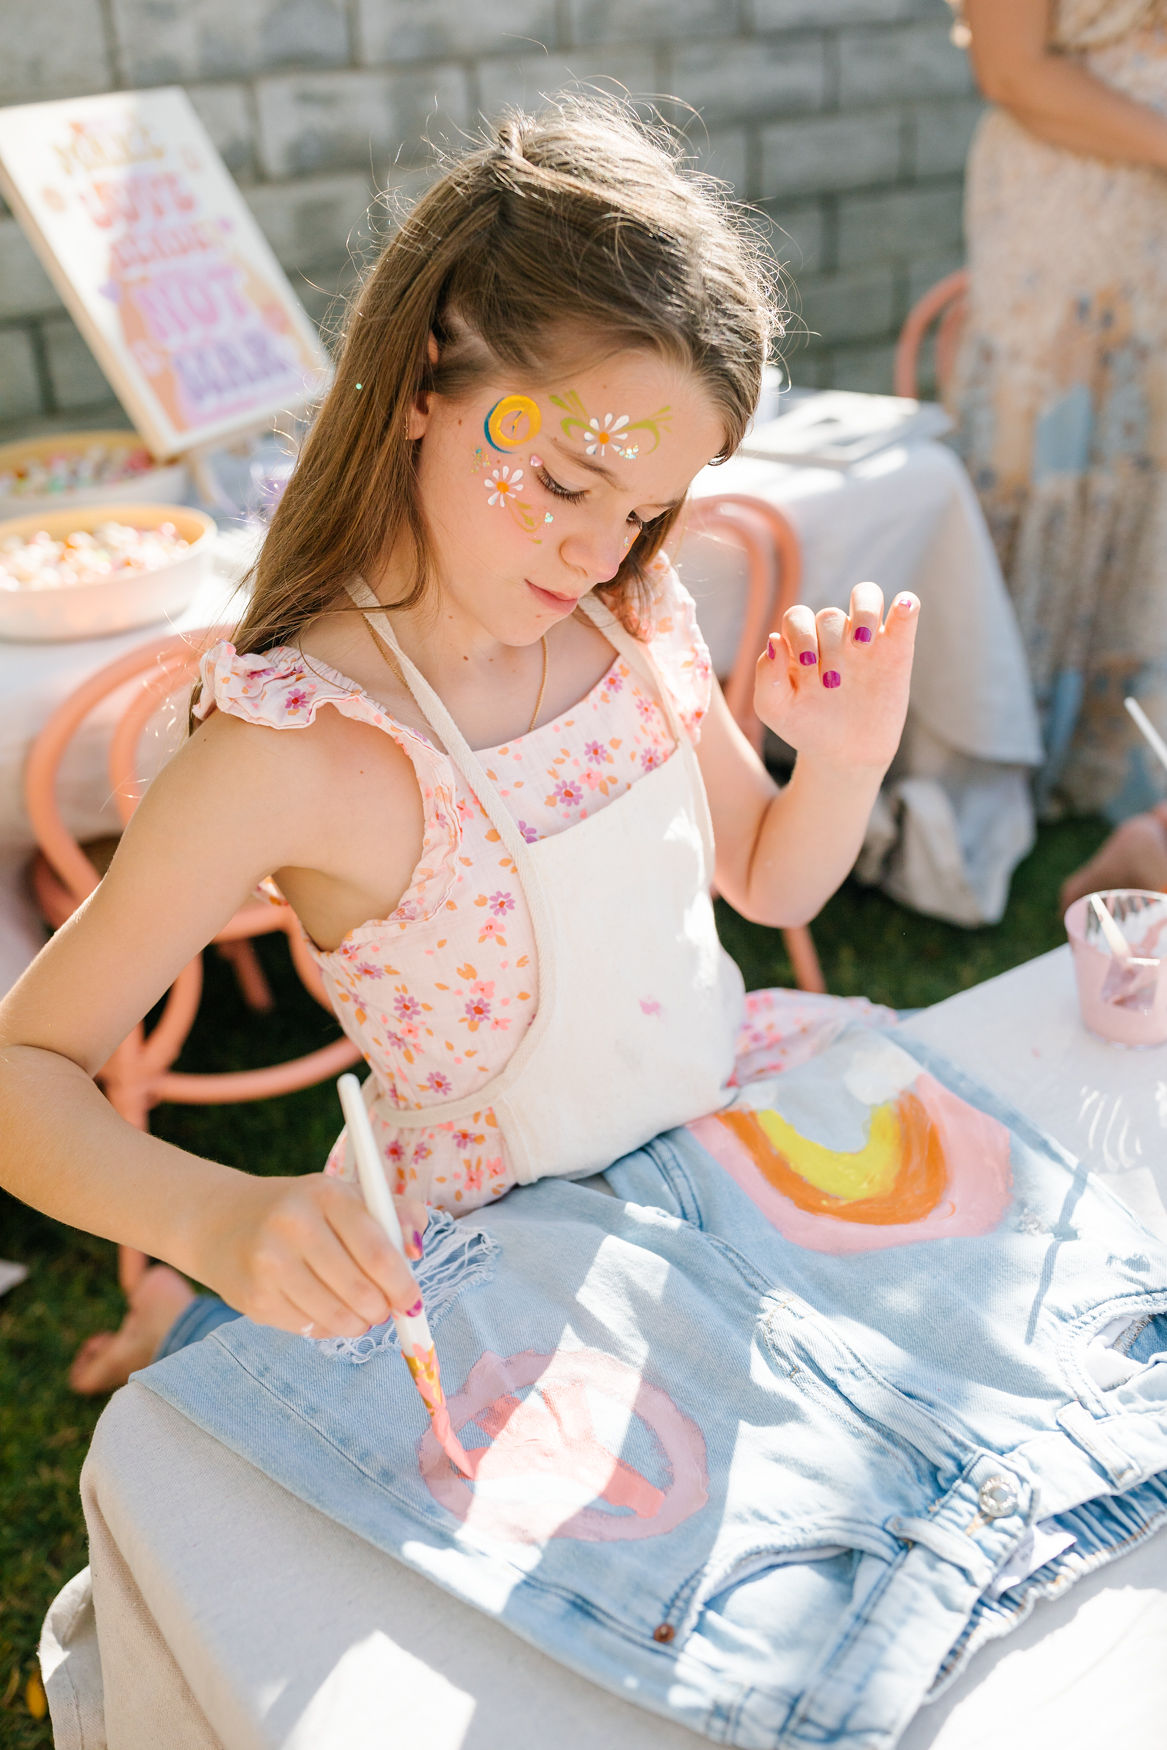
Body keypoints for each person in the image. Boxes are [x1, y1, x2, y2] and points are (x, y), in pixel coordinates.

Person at [0, 102, 917, 1395]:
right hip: (478, 1254)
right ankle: (180, 1315)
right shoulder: (295, 745)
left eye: (646, 510)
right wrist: (206, 1221)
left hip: (705, 1137)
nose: (598, 551)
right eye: (558, 484)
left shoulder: (628, 614)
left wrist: (841, 756)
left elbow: (768, 883)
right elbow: (21, 1069)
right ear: (427, 384)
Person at [947, 0, 1167, 820]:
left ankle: (1123, 749)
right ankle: (1003, 743)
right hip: (1070, 203)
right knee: (1041, 458)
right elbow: (1010, 69)